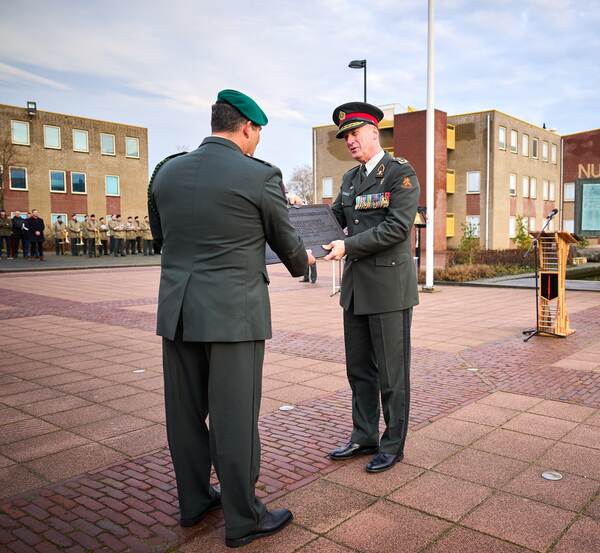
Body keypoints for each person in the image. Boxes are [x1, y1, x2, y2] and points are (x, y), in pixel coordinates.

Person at [149, 89, 313, 548]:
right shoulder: (259, 176)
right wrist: (307, 263)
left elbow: (161, 237)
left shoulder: (166, 172)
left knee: (183, 416)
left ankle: (195, 501)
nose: (258, 140)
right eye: (258, 132)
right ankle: (244, 519)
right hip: (233, 317)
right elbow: (289, 247)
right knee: (235, 419)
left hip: (178, 313)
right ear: (248, 128)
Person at [323, 102, 420, 474]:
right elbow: (333, 221)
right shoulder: (350, 180)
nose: (350, 140)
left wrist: (348, 245)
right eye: (345, 135)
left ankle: (392, 444)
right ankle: (364, 435)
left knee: (392, 374)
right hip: (357, 291)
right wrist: (300, 220)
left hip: (389, 290)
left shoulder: (399, 173)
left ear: (374, 132)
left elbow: (397, 227)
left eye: (355, 133)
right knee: (359, 370)